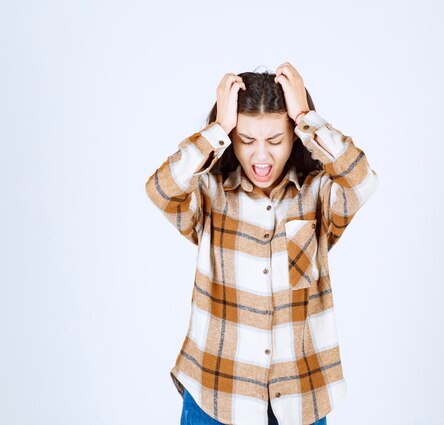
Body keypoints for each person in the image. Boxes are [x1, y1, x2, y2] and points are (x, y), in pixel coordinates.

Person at [145, 62, 379, 425]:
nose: (261, 156)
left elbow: (362, 181)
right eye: (246, 140)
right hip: (216, 395)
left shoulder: (318, 195)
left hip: (298, 399)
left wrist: (306, 117)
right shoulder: (210, 195)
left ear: (294, 137)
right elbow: (161, 189)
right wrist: (218, 128)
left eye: (275, 140)